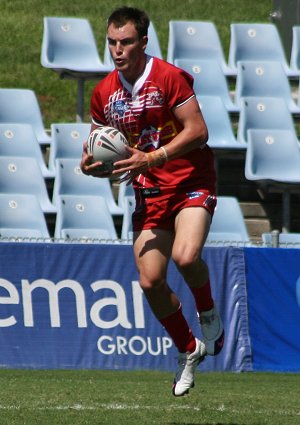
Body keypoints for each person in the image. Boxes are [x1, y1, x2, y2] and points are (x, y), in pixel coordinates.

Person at [80, 6, 224, 397]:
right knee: (150, 280)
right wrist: (91, 164)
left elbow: (198, 130)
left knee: (186, 256)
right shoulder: (104, 92)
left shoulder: (168, 77)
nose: (117, 50)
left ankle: (208, 312)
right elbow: (96, 144)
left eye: (125, 41)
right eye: (111, 42)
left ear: (143, 42)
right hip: (151, 191)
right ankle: (187, 349)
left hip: (191, 180)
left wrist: (153, 157)